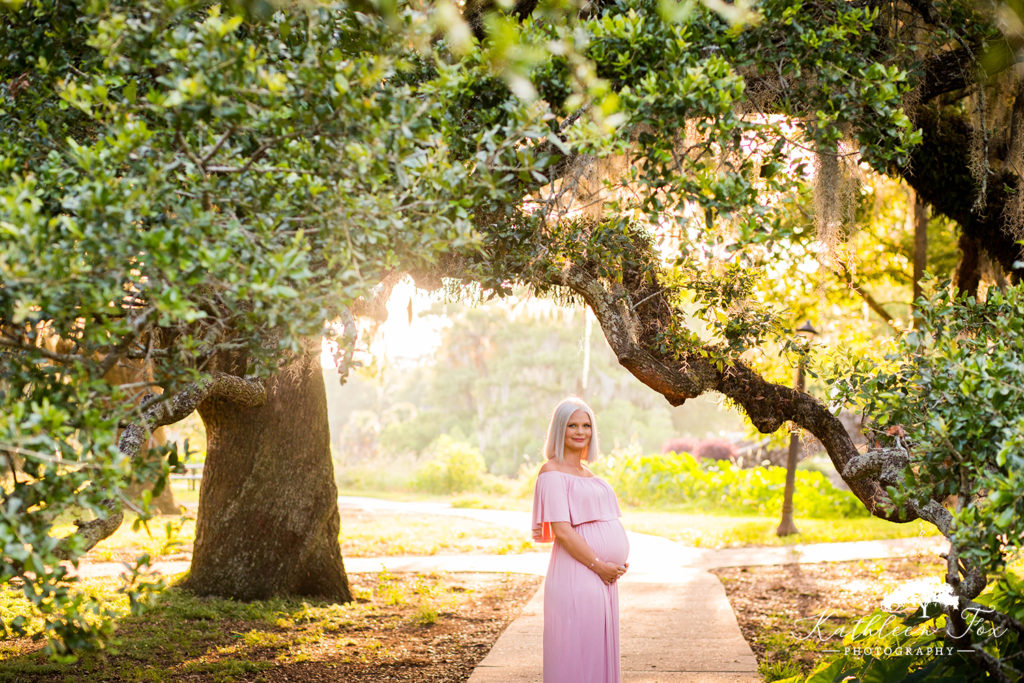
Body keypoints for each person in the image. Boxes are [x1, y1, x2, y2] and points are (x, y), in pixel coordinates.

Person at [531, 397, 630, 683]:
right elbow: (562, 530)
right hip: (579, 572)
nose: (580, 431)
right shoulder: (551, 472)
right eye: (572, 425)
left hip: (602, 576)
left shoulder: (589, 474)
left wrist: (614, 564)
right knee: (577, 651)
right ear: (559, 429)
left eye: (586, 425)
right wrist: (600, 565)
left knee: (596, 649)